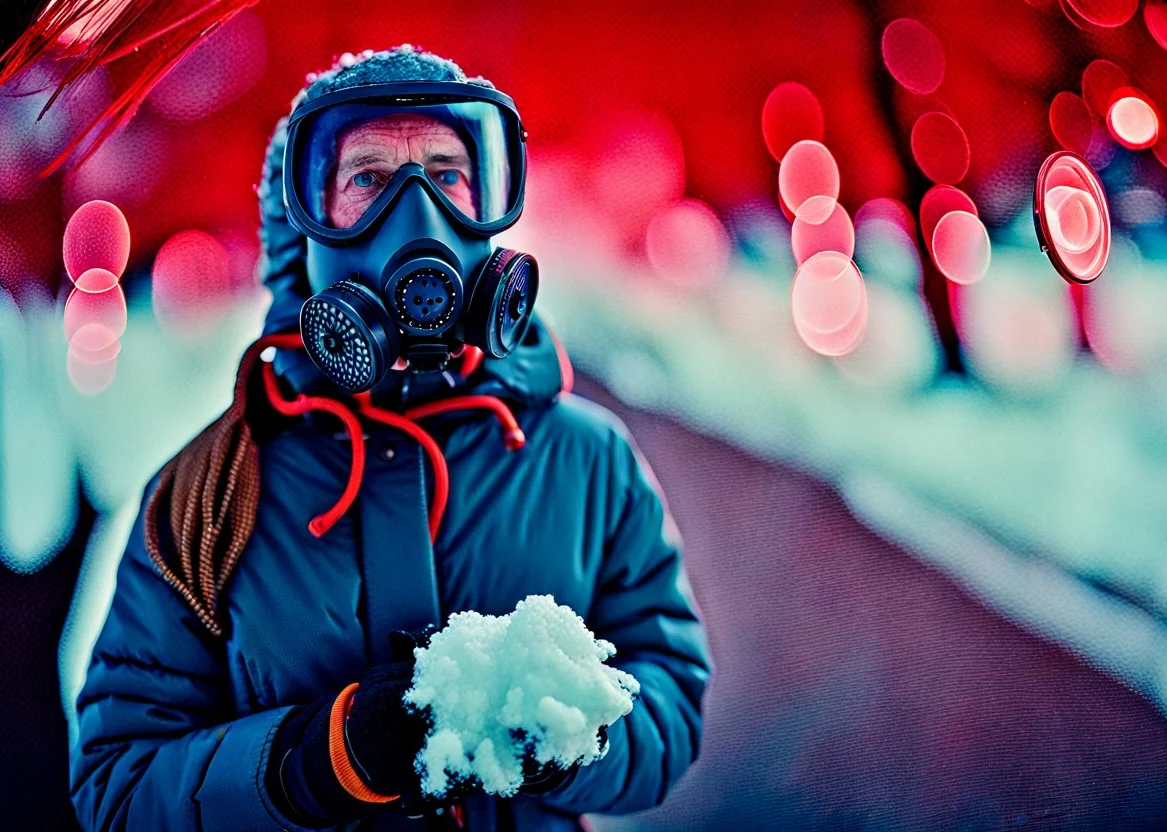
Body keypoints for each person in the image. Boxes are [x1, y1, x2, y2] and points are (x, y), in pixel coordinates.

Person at [69, 44, 711, 832]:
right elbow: (117, 785)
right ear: (299, 235)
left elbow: (672, 701)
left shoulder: (587, 461)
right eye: (368, 181)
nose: (418, 218)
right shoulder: (207, 498)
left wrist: (580, 738)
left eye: (446, 176)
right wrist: (311, 762)